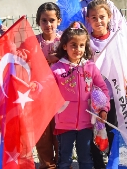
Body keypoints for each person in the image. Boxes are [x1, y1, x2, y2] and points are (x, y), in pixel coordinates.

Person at [51, 21, 110, 169]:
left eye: (81, 45)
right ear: (65, 46)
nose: (78, 49)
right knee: (65, 159)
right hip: (64, 123)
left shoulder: (90, 67)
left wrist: (104, 109)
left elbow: (103, 88)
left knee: (85, 159)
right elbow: (48, 93)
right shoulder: (56, 69)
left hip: (86, 123)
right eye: (73, 45)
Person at [84, 0, 118, 169]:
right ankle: (98, 164)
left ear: (109, 17)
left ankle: (113, 163)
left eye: (102, 17)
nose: (98, 21)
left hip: (112, 96)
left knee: (112, 130)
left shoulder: (116, 39)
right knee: (93, 133)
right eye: (94, 18)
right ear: (88, 19)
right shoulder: (85, 42)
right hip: (90, 98)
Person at [34, 2, 63, 169]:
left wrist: (58, 57)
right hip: (40, 97)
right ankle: (47, 165)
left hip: (61, 96)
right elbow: (28, 64)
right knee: (43, 134)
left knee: (60, 132)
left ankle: (63, 163)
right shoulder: (34, 43)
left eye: (52, 20)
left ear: (58, 20)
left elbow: (73, 61)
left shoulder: (65, 41)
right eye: (44, 20)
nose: (48, 24)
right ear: (38, 22)